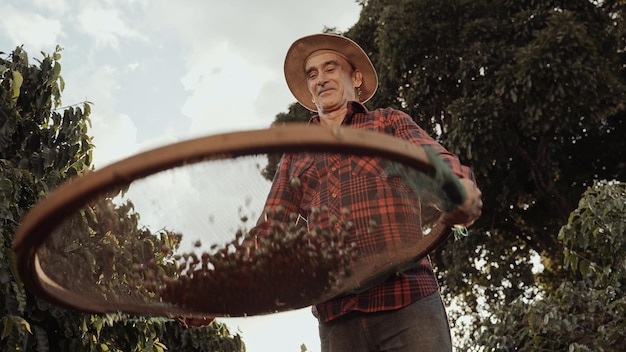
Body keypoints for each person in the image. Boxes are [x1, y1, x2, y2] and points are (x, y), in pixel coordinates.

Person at [259, 33, 483, 352]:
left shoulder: (388, 123)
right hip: (337, 316)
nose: (321, 79)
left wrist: (459, 190)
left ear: (356, 77)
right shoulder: (296, 153)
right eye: (312, 74)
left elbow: (435, 161)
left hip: (408, 300)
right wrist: (218, 298)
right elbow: (269, 231)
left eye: (330, 68)